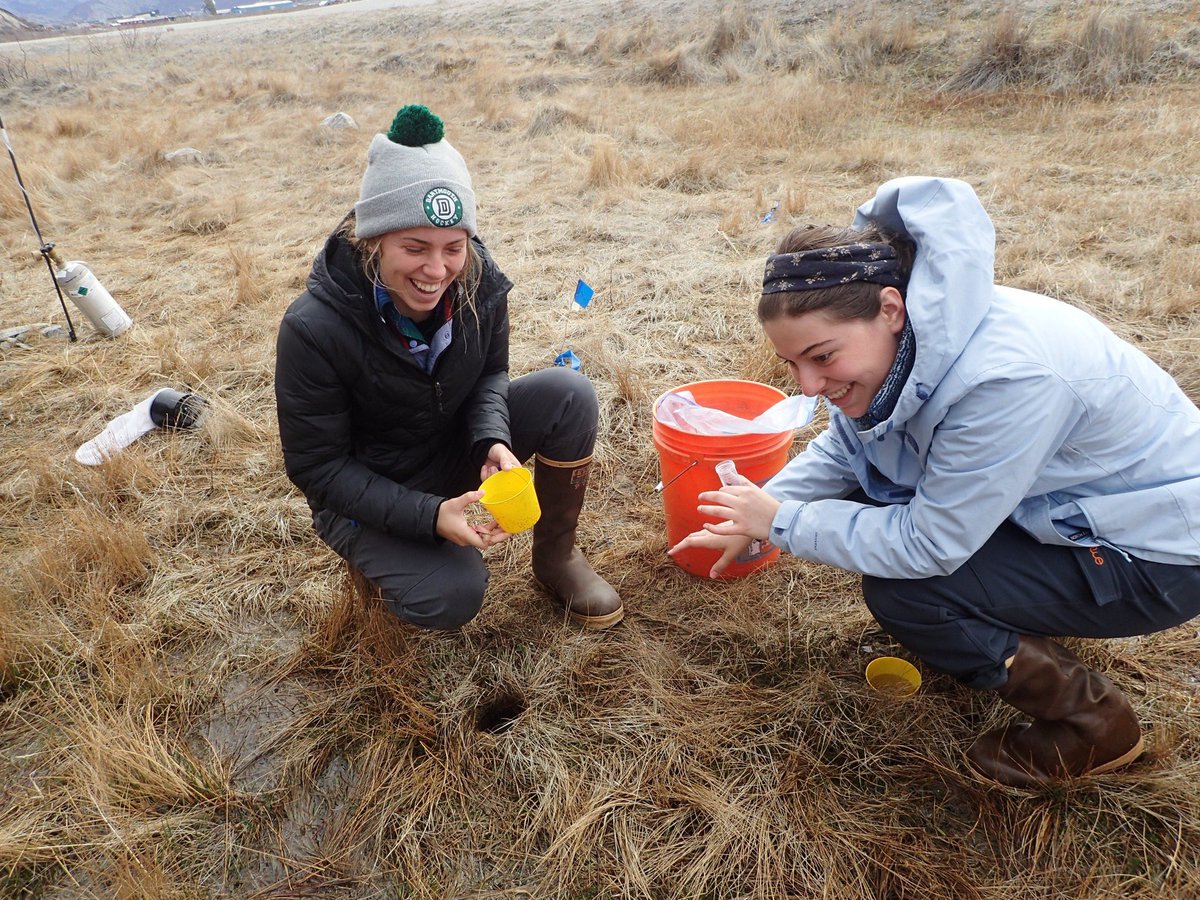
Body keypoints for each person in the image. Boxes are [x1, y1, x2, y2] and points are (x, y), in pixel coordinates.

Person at [670, 176, 1200, 788]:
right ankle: (1001, 625)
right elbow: (852, 445)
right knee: (873, 501)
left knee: (910, 591)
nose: (808, 387)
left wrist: (780, 521)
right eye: (793, 364)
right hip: (1080, 511)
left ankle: (1095, 727)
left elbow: (930, 544)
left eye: (821, 357)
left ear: (890, 309)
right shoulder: (920, 340)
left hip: (1157, 554)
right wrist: (760, 512)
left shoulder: (1004, 380)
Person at [275, 104, 623, 632]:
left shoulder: (479, 282)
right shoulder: (314, 327)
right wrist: (429, 516)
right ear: (373, 239)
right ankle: (378, 563)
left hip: (448, 446)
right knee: (451, 595)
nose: (437, 270)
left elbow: (490, 376)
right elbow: (317, 468)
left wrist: (491, 441)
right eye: (414, 248)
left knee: (568, 394)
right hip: (369, 484)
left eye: (452, 247)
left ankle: (556, 560)